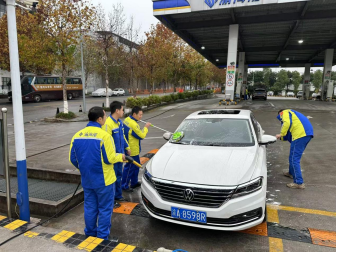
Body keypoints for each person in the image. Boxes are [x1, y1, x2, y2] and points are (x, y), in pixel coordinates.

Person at [69, 107, 126, 239]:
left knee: (90, 208)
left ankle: (90, 234)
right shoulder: (104, 136)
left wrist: (84, 169)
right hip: (105, 181)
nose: (106, 118)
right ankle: (102, 237)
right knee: (105, 209)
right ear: (99, 119)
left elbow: (72, 159)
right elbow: (110, 158)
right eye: (105, 116)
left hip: (87, 180)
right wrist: (121, 157)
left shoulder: (77, 135)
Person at [276, 109, 314, 189]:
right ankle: (291, 173)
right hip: (305, 134)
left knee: (294, 159)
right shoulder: (293, 115)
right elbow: (289, 130)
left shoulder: (285, 112)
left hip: (300, 135)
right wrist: (282, 137)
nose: (281, 118)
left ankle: (299, 183)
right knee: (292, 156)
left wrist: (281, 134)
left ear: (280, 113)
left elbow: (287, 123)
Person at [103, 101, 131, 202]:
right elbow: (106, 141)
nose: (123, 111)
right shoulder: (108, 124)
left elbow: (122, 136)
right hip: (113, 157)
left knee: (119, 176)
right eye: (122, 109)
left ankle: (118, 196)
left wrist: (127, 147)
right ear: (117, 110)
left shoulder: (119, 123)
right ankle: (112, 199)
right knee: (112, 178)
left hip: (120, 156)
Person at [122, 106, 151, 192]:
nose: (141, 117)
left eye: (142, 115)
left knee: (136, 167)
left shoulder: (127, 119)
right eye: (140, 115)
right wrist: (146, 127)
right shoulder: (134, 124)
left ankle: (134, 182)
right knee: (129, 168)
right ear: (134, 114)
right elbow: (141, 136)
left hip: (132, 148)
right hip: (131, 150)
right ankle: (124, 185)